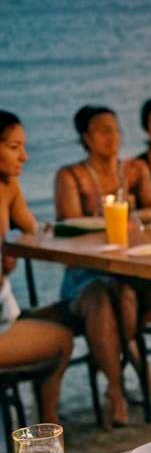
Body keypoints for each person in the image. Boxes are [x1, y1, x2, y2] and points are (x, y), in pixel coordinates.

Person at [54, 106, 151, 426]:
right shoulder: (70, 176)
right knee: (101, 298)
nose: (112, 137)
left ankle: (123, 371)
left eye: (115, 129)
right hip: (85, 273)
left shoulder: (136, 170)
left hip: (129, 272)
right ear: (86, 137)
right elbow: (70, 225)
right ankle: (116, 389)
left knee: (124, 294)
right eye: (102, 130)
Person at [0, 112, 73, 424]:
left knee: (69, 313)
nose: (25, 156)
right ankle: (47, 433)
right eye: (14, 147)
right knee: (61, 340)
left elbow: (35, 231)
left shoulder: (9, 187)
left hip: (6, 312)